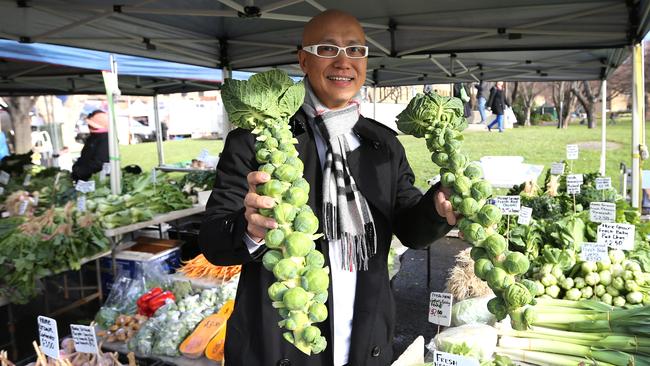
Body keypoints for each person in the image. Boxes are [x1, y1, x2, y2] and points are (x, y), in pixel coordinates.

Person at [198, 10, 456, 366]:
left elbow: (409, 226)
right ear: (303, 60)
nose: (343, 61)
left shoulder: (382, 145)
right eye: (327, 49)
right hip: (282, 339)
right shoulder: (255, 140)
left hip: (364, 336)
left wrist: (436, 209)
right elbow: (213, 240)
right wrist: (251, 228)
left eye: (355, 50)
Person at [71, 110, 109, 181]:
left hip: (94, 179)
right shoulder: (93, 137)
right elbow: (85, 156)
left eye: (91, 125)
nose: (88, 126)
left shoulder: (105, 139)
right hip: (84, 177)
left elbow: (99, 163)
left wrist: (79, 171)